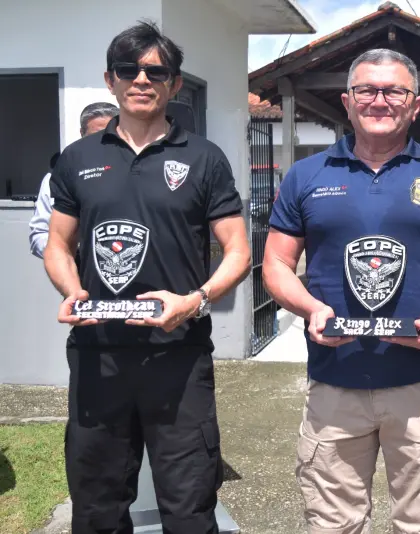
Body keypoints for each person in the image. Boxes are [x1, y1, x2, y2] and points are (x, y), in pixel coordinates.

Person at [262, 48, 420, 533]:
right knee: (333, 524)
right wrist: (309, 308)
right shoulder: (307, 175)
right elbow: (276, 265)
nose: (379, 100)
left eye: (394, 91)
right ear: (347, 101)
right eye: (367, 90)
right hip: (334, 382)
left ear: (416, 104)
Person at [43, 21, 251, 534]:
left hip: (177, 357)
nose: (141, 79)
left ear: (174, 84)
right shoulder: (77, 159)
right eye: (128, 69)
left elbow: (238, 252)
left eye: (156, 72)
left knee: (189, 506)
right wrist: (72, 291)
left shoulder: (204, 158)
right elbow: (58, 246)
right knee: (96, 507)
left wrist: (196, 300)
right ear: (110, 79)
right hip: (98, 355)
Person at [28, 102, 118, 258]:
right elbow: (39, 236)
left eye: (109, 136)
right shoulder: (58, 177)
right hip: (77, 268)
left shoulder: (139, 173)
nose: (103, 144)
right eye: (95, 137)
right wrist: (71, 248)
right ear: (81, 134)